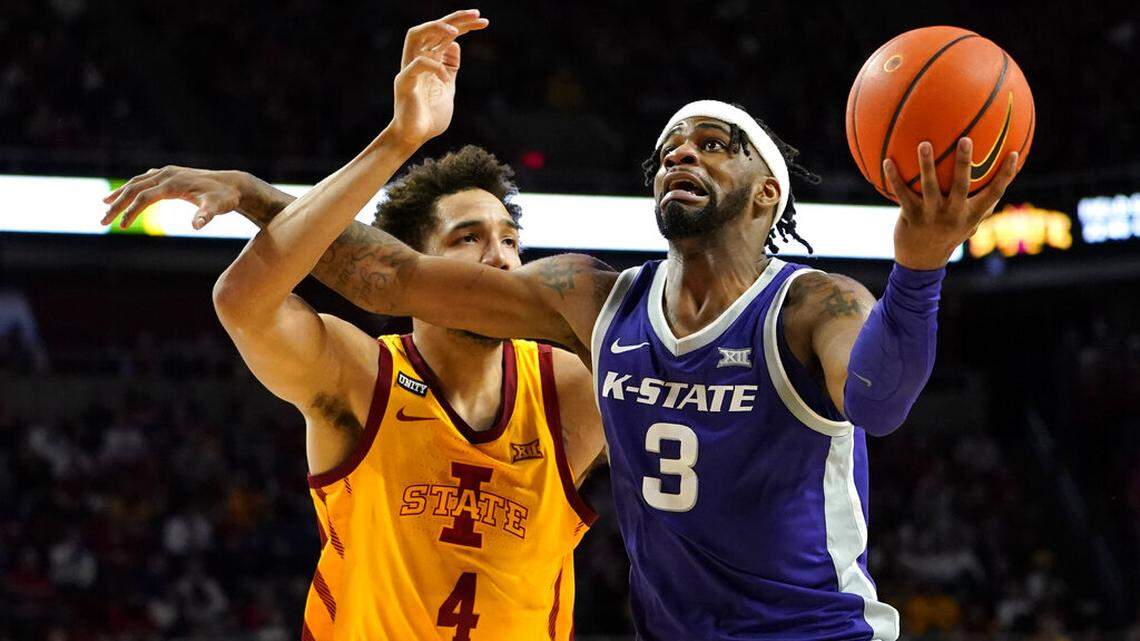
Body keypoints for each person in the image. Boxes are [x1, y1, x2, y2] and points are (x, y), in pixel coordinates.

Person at [105, 14, 1019, 641]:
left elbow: (882, 399)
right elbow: (385, 275)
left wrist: (923, 264)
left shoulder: (814, 304)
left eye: (712, 143)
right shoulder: (596, 304)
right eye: (669, 148)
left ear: (766, 192)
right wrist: (259, 195)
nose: (682, 155)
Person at [104, 11, 604, 640]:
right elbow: (243, 301)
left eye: (510, 241)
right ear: (412, 269)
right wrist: (398, 140)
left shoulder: (570, 387)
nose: (500, 259)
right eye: (468, 239)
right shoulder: (362, 376)